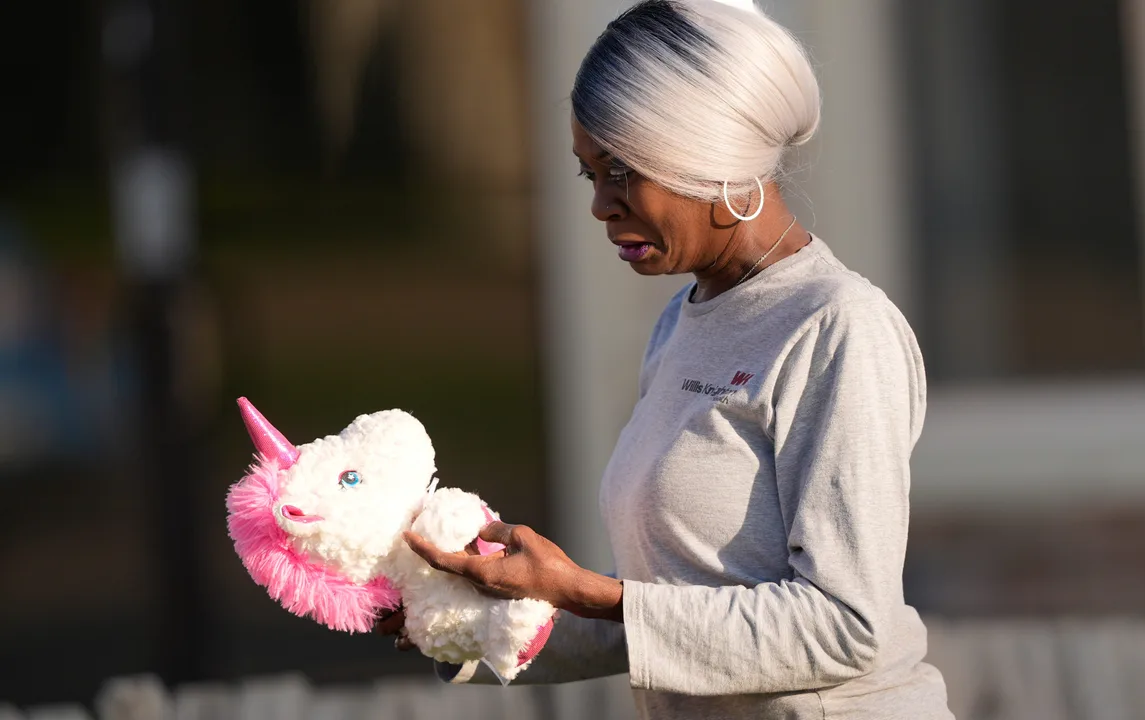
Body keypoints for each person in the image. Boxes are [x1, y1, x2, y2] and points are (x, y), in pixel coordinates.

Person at [379, 1, 954, 717]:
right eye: (589, 173)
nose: (600, 206)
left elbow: (847, 626)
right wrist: (465, 627)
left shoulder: (838, 329)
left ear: (709, 155)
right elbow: (669, 612)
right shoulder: (682, 324)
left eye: (621, 170)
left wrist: (582, 590)